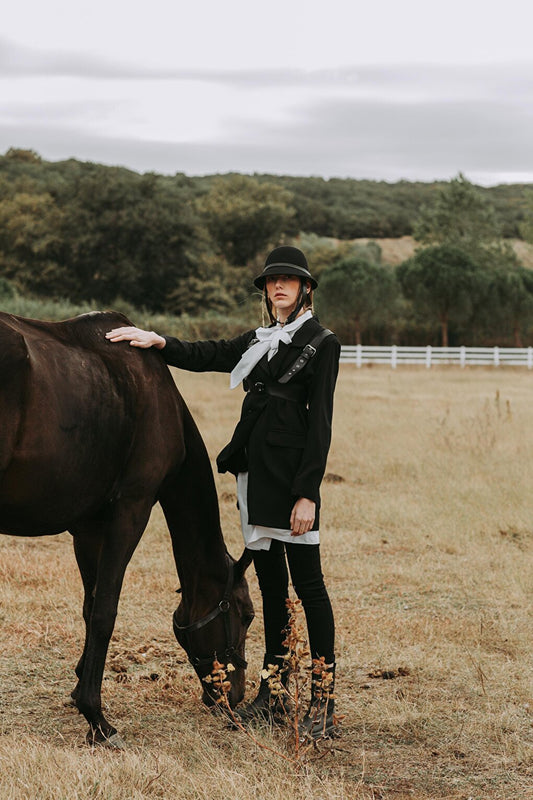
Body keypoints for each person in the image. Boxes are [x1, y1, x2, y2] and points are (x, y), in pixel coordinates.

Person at [106, 245, 340, 739]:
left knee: (310, 590)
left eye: (288, 280)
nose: (278, 286)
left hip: (291, 484)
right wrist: (157, 340)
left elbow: (320, 426)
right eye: (271, 281)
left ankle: (324, 699)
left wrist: (307, 495)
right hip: (253, 476)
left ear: (305, 289)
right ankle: (275, 693)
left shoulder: (321, 342)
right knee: (273, 589)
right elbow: (205, 353)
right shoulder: (259, 339)